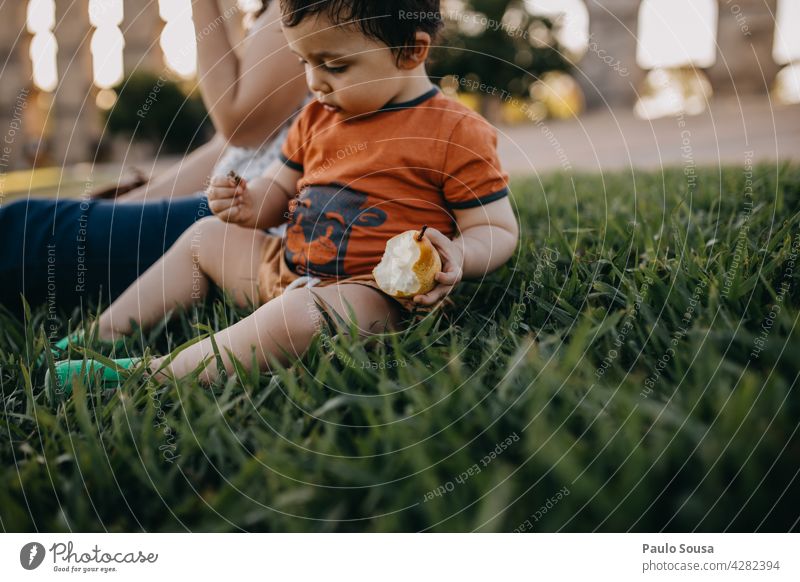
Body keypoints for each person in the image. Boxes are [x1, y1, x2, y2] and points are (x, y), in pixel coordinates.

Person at [46, 0, 519, 392]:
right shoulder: (316, 118)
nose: (315, 81)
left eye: (334, 65)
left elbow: (494, 228)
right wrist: (245, 202)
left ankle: (147, 375)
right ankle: (100, 335)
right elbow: (277, 191)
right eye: (304, 63)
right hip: (284, 269)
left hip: (376, 298)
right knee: (205, 237)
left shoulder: (456, 131)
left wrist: (459, 252)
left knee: (298, 315)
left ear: (410, 52)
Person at [0, 0, 307, 318]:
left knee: (22, 231)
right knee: (36, 225)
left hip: (256, 219)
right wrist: (127, 206)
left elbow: (237, 123)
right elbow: (227, 150)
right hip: (233, 203)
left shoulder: (311, 8)